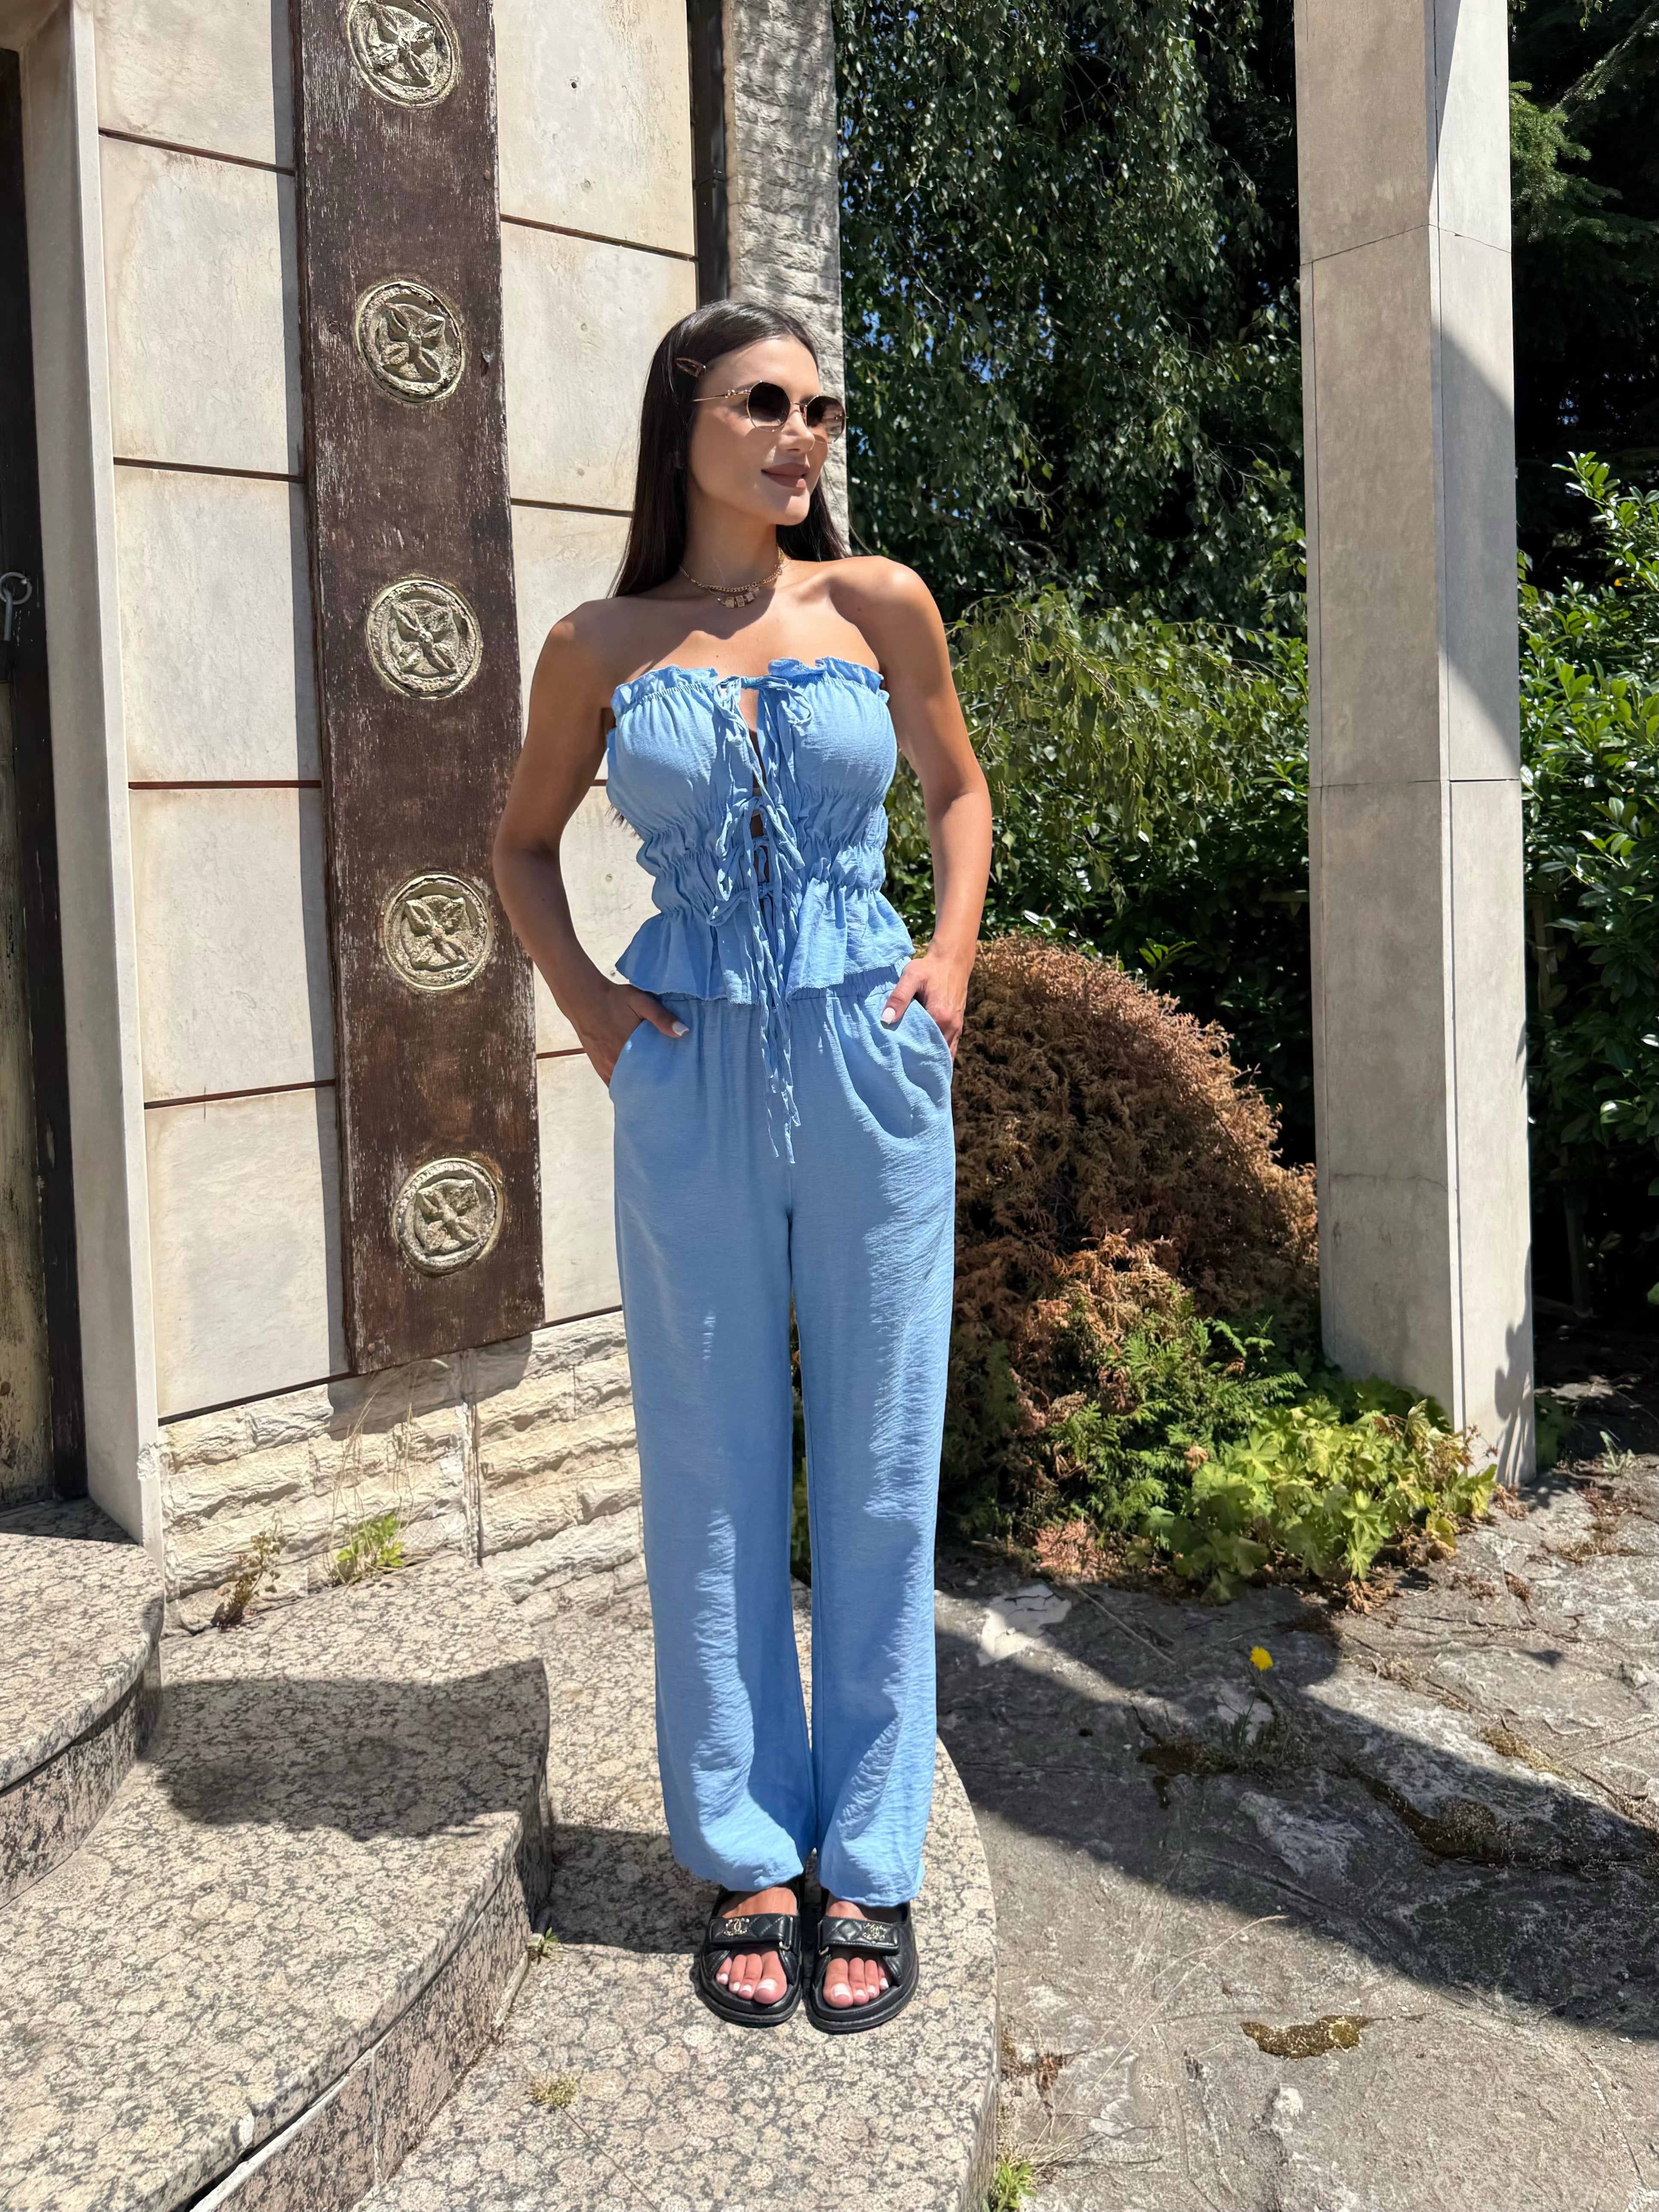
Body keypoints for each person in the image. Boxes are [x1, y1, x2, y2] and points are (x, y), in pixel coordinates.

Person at [493, 301, 992, 2033]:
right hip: (689, 1072)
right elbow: (522, 845)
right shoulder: (598, 644)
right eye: (765, 403)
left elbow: (956, 791)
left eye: (819, 409)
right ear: (683, 423)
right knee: (708, 1465)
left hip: (866, 1057)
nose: (802, 434)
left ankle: (871, 1852)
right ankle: (746, 1850)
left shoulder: (877, 603)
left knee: (880, 1461)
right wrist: (597, 1014)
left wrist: (947, 964)